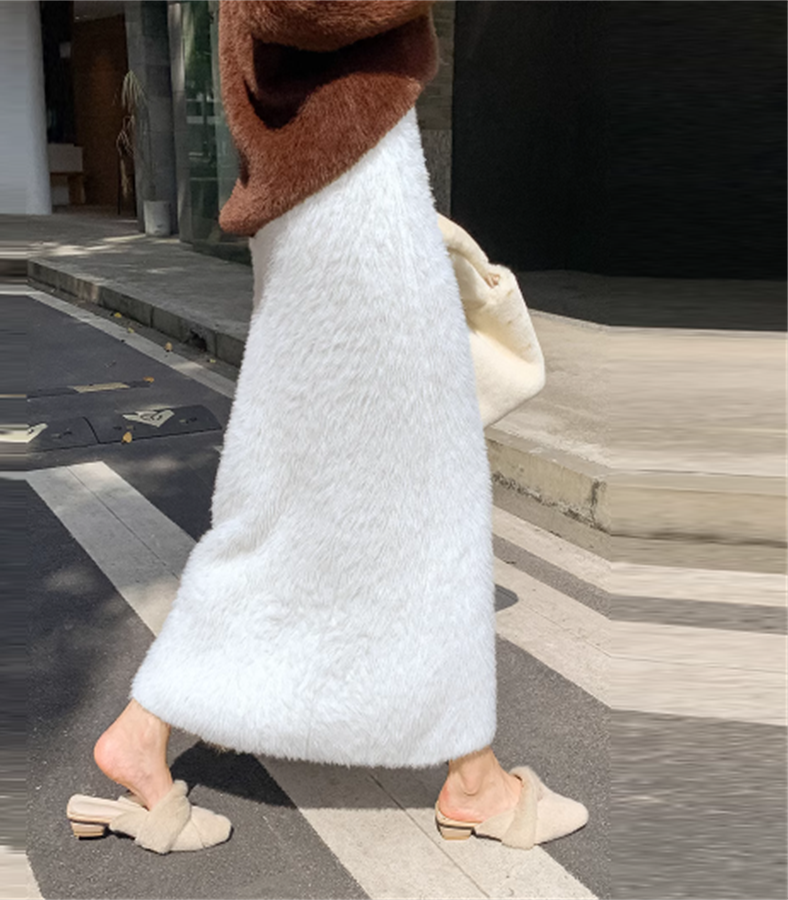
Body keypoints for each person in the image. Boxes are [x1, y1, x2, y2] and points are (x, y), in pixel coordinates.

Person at [66, 0, 588, 853]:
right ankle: (475, 782)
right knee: (415, 491)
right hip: (350, 203)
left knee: (318, 495)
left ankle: (146, 731)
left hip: (340, 192)